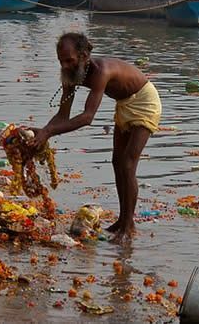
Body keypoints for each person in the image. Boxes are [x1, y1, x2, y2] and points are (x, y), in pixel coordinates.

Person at [28, 33, 162, 243]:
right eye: (61, 61)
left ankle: (128, 227)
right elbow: (63, 115)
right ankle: (123, 220)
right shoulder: (69, 75)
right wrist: (43, 132)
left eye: (69, 60)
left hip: (145, 102)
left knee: (128, 164)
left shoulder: (101, 71)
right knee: (117, 162)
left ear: (83, 56)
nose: (65, 66)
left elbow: (87, 117)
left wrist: (49, 132)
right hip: (125, 104)